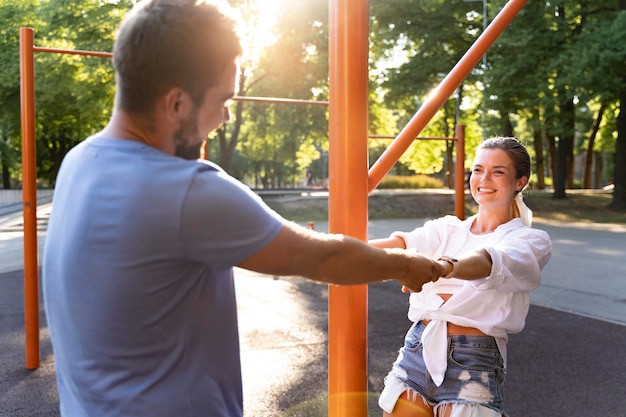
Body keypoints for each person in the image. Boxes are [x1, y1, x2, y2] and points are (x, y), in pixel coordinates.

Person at [41, 1, 442, 416]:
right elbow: (323, 256)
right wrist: (403, 264)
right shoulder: (184, 191)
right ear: (176, 103)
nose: (224, 116)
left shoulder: (78, 162)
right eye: (222, 100)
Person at [370, 137, 552, 417]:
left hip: (474, 361)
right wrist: (335, 250)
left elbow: (489, 262)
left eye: (498, 171)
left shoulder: (530, 240)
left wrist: (440, 268)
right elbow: (401, 244)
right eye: (478, 169)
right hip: (417, 349)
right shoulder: (448, 229)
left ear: (520, 182)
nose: (484, 178)